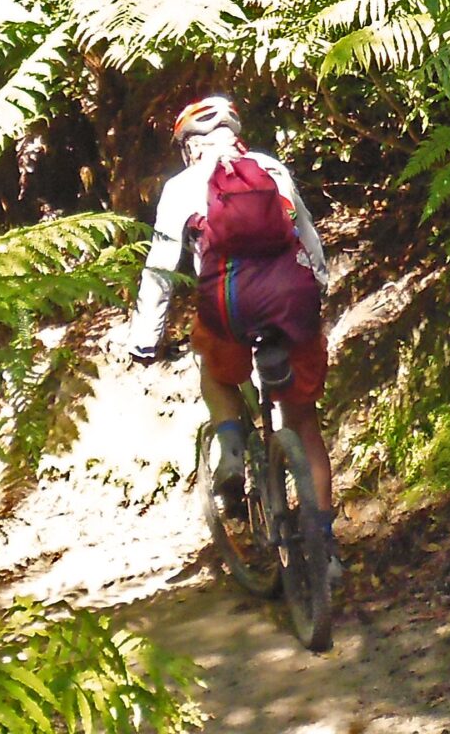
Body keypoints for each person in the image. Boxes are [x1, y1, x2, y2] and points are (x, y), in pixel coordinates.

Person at [127, 95, 337, 545]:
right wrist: (317, 290)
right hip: (291, 299)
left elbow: (161, 266)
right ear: (236, 135)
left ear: (188, 147)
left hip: (230, 306)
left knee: (214, 371)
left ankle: (230, 446)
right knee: (304, 422)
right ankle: (326, 550)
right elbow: (307, 235)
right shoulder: (271, 169)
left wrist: (146, 339)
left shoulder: (182, 187)